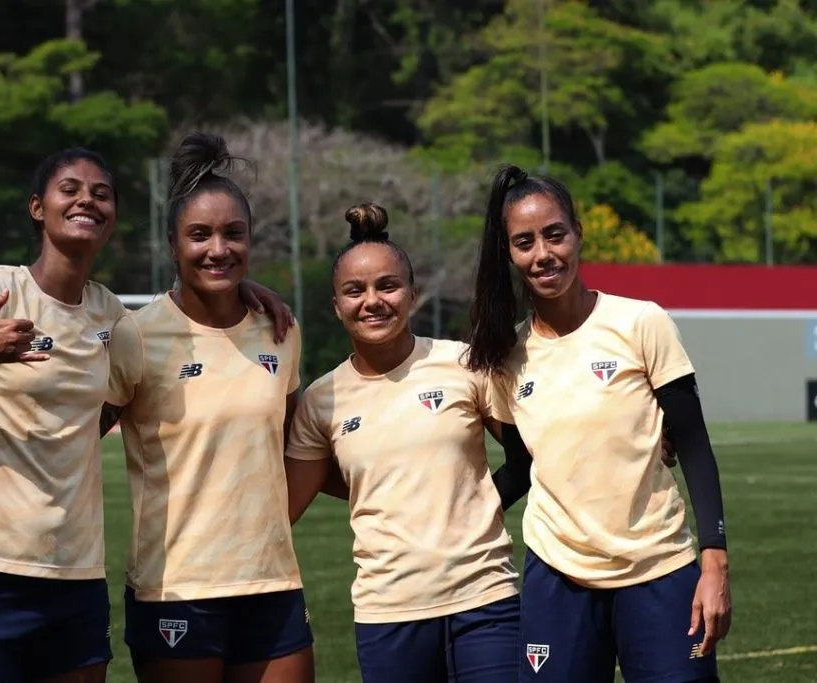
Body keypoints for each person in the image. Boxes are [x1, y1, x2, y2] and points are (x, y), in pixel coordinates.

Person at [0, 147, 291, 683]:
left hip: (76, 576)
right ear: (36, 208)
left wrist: (241, 288)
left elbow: (92, 418)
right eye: (69, 189)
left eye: (102, 193)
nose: (87, 200)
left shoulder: (113, 318)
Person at [467, 164, 732, 683]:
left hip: (658, 568)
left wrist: (715, 562)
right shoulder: (507, 356)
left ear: (577, 233)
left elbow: (695, 445)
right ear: (509, 254)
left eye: (554, 234)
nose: (543, 253)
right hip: (556, 576)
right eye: (524, 242)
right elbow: (521, 467)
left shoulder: (641, 323)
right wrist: (458, 517)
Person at [98, 131, 314, 683]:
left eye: (232, 234)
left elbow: (291, 447)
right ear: (173, 245)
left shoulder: (280, 330)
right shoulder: (137, 336)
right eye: (200, 235)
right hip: (176, 586)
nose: (218, 249)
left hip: (271, 583)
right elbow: (74, 439)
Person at [280, 203, 522, 683]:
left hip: (486, 599)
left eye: (387, 286)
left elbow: (527, 456)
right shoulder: (321, 399)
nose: (372, 301)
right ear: (336, 306)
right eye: (355, 291)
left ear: (412, 294)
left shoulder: (464, 364)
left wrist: (477, 504)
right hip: (388, 610)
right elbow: (284, 505)